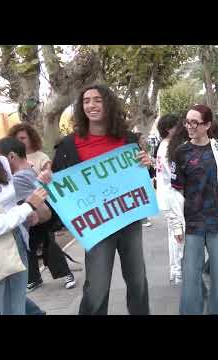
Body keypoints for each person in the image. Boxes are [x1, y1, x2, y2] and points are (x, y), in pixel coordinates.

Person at [41, 84, 153, 315]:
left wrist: (146, 165)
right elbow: (59, 183)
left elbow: (142, 177)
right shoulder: (68, 145)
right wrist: (47, 178)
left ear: (108, 104)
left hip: (129, 221)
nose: (91, 105)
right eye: (86, 101)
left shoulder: (129, 140)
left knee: (138, 281)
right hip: (96, 227)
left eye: (97, 100)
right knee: (97, 287)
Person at [169, 104, 218, 315]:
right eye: (187, 121)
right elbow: (175, 191)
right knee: (191, 274)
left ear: (207, 125)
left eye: (195, 122)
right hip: (191, 223)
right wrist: (176, 225)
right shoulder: (180, 152)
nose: (189, 126)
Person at [8, 123, 77, 292]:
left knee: (48, 242)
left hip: (43, 207)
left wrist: (43, 176)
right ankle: (34, 278)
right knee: (29, 244)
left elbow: (50, 177)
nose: (20, 141)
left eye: (23, 138)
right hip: (23, 210)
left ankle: (66, 273)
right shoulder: (8, 160)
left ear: (31, 138)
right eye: (17, 139)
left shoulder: (40, 157)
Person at [0, 136, 53, 315]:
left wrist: (24, 210)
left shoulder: (2, 162)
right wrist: (27, 207)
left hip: (16, 240)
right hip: (0, 247)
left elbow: (9, 201)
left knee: (16, 306)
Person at [155, 114, 184, 285]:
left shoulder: (164, 146)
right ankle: (178, 271)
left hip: (167, 195)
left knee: (174, 235)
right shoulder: (168, 148)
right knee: (178, 235)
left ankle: (176, 271)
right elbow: (173, 175)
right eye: (177, 125)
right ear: (169, 129)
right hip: (171, 196)